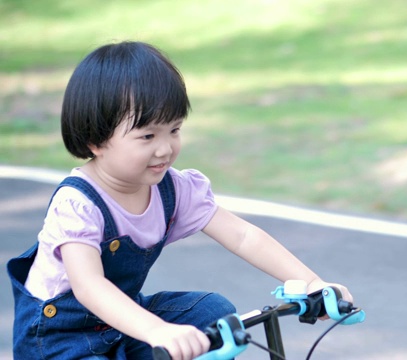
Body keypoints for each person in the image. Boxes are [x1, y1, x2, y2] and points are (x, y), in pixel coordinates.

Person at [7, 41, 354, 360]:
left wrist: (312, 283)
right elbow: (88, 286)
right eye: (147, 136)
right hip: (57, 341)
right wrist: (157, 330)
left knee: (212, 315)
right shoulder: (78, 203)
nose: (165, 148)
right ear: (96, 141)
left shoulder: (172, 189)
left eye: (174, 130)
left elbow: (243, 236)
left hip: (120, 325)